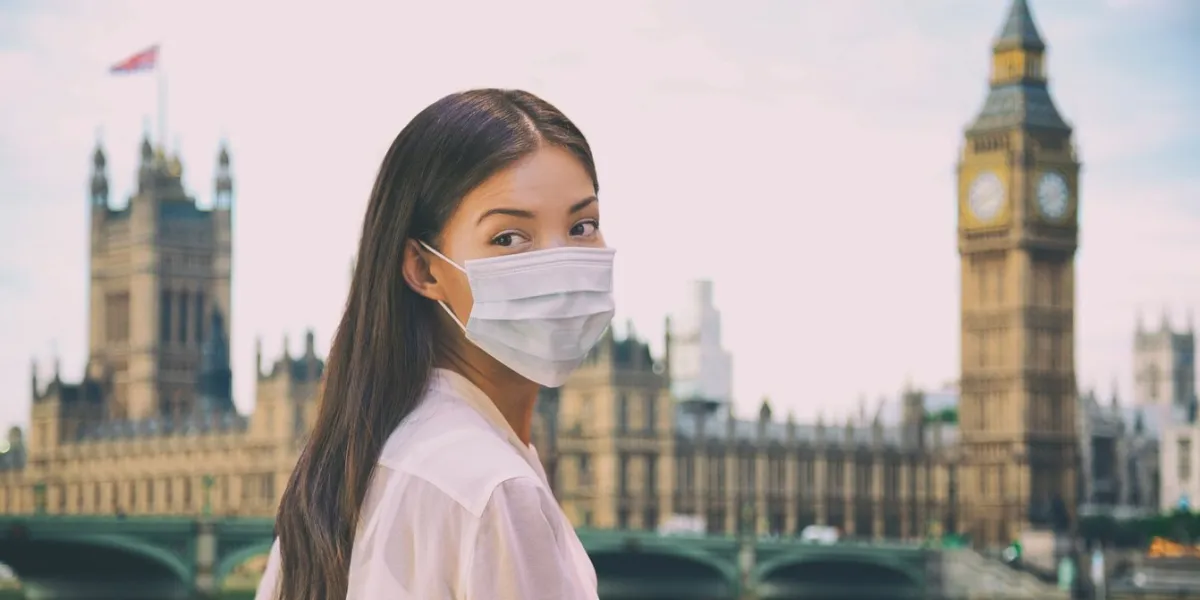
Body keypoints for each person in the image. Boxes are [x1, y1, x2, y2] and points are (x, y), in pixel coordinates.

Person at [255, 89, 613, 600]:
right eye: (509, 238)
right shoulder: (493, 491)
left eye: (583, 226)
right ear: (423, 268)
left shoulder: (333, 482)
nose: (559, 266)